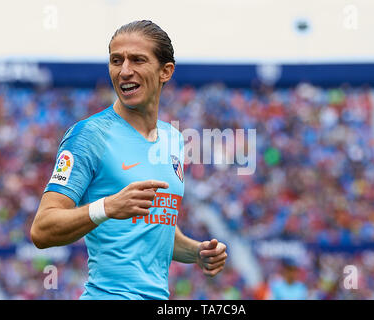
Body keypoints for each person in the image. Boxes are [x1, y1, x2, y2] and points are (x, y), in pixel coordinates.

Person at [30, 20, 228, 300]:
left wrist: (196, 252)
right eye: (116, 60)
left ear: (165, 71)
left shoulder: (172, 138)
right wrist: (108, 206)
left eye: (137, 60)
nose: (124, 71)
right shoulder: (89, 135)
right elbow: (42, 229)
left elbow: (156, 228)